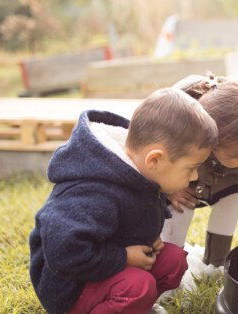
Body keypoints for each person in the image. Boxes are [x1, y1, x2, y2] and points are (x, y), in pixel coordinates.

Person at [29, 88, 218, 314]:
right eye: (191, 168)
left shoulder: (140, 172)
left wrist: (146, 238)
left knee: (173, 261)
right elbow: (63, 253)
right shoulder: (92, 192)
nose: (195, 176)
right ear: (155, 159)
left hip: (106, 264)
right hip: (71, 286)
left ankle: (134, 307)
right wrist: (123, 257)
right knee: (138, 287)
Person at [160, 74, 238, 268]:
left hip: (220, 179)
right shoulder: (180, 131)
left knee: (231, 199)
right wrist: (169, 189)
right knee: (180, 208)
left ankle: (216, 262)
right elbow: (158, 162)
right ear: (211, 143)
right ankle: (170, 264)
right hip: (182, 184)